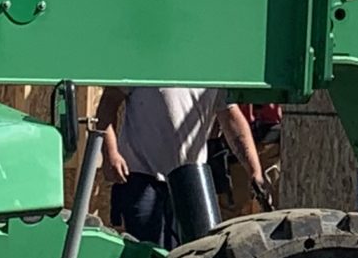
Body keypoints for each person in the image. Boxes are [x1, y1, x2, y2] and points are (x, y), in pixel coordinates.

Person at [103, 87, 269, 248]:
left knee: (200, 249)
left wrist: (254, 170)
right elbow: (108, 102)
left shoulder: (214, 75)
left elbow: (231, 119)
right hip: (142, 175)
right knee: (147, 252)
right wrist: (111, 152)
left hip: (192, 178)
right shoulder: (145, 68)